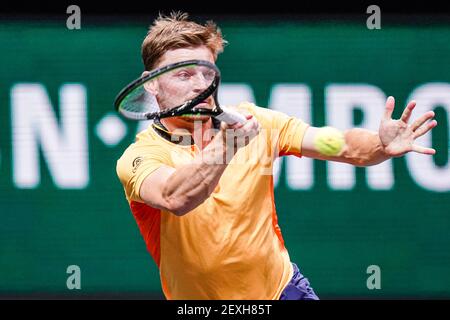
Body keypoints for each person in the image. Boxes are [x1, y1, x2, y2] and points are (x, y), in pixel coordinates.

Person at [116, 12, 437, 300]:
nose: (201, 85)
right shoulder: (139, 157)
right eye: (184, 75)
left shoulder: (260, 123)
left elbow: (338, 144)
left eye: (206, 72)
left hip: (282, 291)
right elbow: (176, 197)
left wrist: (380, 145)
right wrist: (227, 147)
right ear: (151, 85)